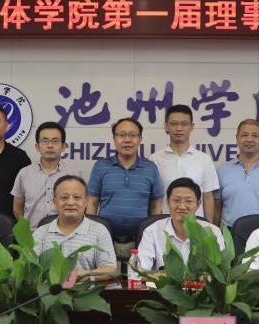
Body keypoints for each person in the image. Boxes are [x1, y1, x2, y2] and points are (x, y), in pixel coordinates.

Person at [87, 117, 164, 260]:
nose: (127, 140)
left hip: (141, 241)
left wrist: (153, 238)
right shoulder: (101, 166)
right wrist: (90, 236)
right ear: (114, 139)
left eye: (133, 135)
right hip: (105, 239)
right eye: (121, 135)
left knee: (137, 274)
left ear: (140, 139)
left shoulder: (150, 168)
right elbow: (92, 203)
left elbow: (156, 206)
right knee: (106, 274)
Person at [32, 175, 117, 277]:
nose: (71, 202)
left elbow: (111, 270)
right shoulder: (41, 232)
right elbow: (30, 268)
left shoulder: (100, 231)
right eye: (64, 197)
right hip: (49, 287)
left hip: (86, 286)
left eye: (77, 197)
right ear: (55, 202)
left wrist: (86, 274)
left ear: (86, 201)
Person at [136, 178, 224, 270]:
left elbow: (220, 270)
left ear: (198, 204)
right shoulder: (152, 231)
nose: (182, 206)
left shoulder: (213, 232)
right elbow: (141, 268)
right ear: (168, 202)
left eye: (188, 201)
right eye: (176, 200)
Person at [152, 105, 218, 219]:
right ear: (166, 126)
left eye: (184, 124)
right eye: (174, 124)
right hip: (165, 223)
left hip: (195, 224)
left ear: (192, 127)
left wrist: (209, 225)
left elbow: (208, 197)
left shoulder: (203, 159)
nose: (179, 128)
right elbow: (154, 199)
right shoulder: (155, 159)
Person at [213, 119, 259, 228]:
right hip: (231, 233)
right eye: (244, 135)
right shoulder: (222, 171)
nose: (249, 139)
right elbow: (217, 208)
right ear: (237, 138)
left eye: (254, 135)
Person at [12, 122, 81, 229]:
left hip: (65, 234)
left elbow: (80, 206)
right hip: (32, 234)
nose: (50, 145)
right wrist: (26, 231)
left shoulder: (74, 174)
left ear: (63, 146)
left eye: (55, 141)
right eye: (45, 141)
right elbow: (17, 208)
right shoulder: (24, 173)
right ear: (37, 146)